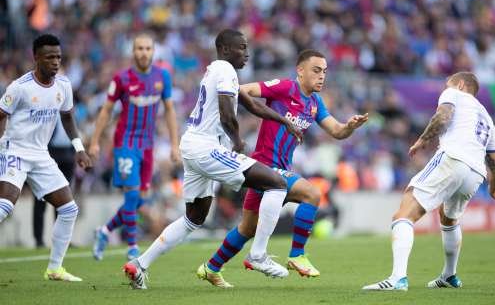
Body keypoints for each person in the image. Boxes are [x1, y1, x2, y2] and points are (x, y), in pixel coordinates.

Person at [122, 29, 302, 289]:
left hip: (194, 146)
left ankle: (139, 265)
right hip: (207, 148)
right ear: (226, 49)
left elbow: (251, 104)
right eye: (242, 47)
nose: (247, 53)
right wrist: (238, 142)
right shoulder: (225, 70)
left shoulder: (217, 71)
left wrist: (283, 120)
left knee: (194, 218)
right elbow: (227, 112)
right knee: (276, 184)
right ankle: (258, 255)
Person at [198, 49, 368, 285]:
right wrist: (256, 113)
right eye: (316, 70)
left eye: (325, 72)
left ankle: (211, 267)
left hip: (278, 168)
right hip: (264, 167)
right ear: (300, 71)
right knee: (312, 194)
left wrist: (350, 126)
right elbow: (243, 90)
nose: (322, 76)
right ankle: (297, 255)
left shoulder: (315, 103)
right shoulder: (285, 87)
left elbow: (337, 131)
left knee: (246, 229)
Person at [362, 72, 495, 291]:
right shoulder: (487, 118)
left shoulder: (454, 94)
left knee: (404, 213)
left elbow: (442, 117)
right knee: (449, 219)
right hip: (475, 173)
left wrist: (421, 141)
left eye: (446, 86)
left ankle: (397, 278)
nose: (443, 89)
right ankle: (449, 275)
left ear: (459, 84)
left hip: (453, 158)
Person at [0, 34, 92, 281]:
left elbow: (67, 117)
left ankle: (54, 269)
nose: (55, 62)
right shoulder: (19, 88)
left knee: (69, 209)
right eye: (50, 57)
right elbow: (1, 115)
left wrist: (79, 148)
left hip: (41, 154)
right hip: (15, 150)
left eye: (58, 57)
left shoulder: (63, 85)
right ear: (36, 58)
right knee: (5, 206)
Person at [89, 33, 180, 261]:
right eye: (139, 48)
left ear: (153, 51)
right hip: (126, 143)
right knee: (131, 197)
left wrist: (174, 144)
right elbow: (106, 111)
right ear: (133, 51)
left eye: (148, 48)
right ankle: (133, 248)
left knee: (140, 200)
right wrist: (94, 142)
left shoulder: (163, 77)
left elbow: (169, 110)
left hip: (147, 145)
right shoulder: (121, 78)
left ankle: (104, 231)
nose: (144, 52)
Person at [33, 117, 75, 248]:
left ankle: (61, 241)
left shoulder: (69, 111)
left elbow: (72, 130)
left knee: (64, 201)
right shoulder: (49, 110)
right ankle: (39, 240)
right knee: (40, 200)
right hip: (49, 153)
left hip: (68, 155)